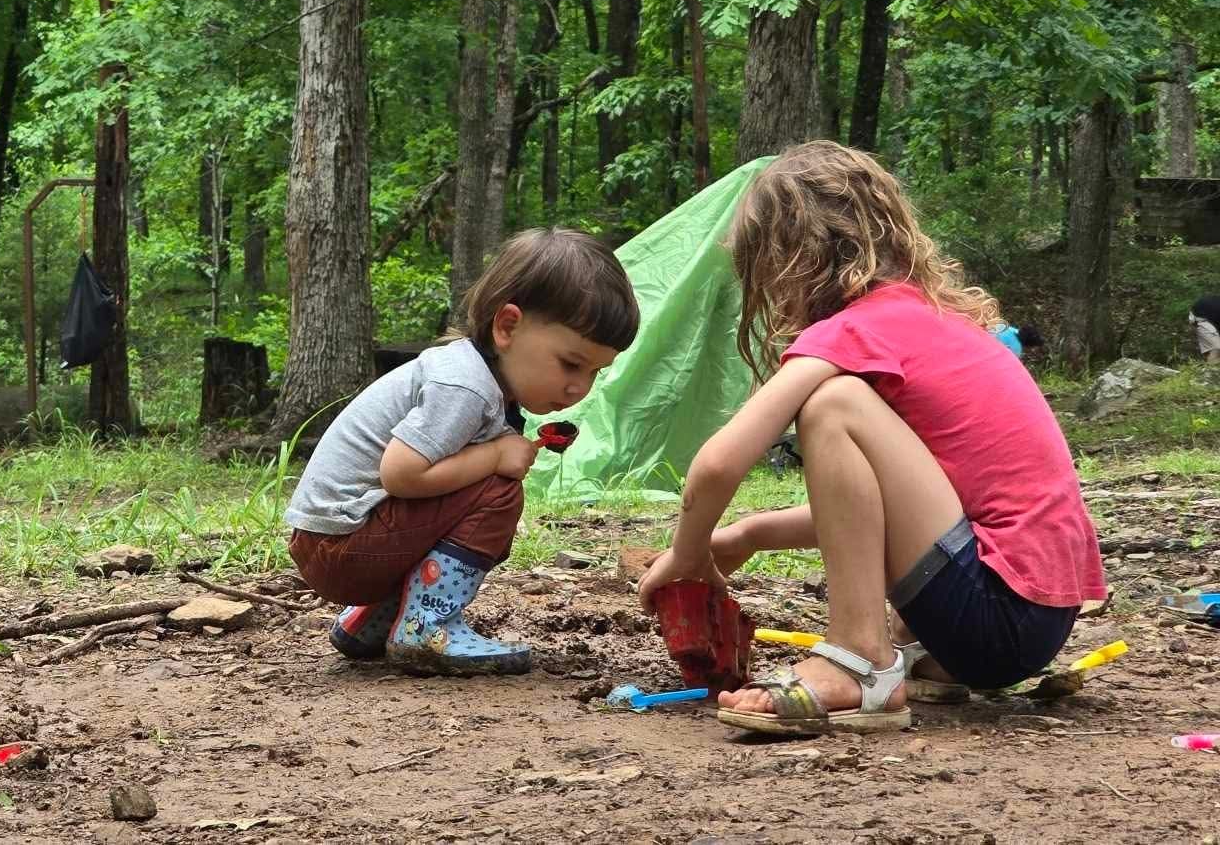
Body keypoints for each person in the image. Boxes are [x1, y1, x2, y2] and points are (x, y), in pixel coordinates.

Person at [637, 142, 1104, 735]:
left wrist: (687, 554)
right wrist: (749, 534)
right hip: (1031, 622)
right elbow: (881, 508)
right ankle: (920, 658)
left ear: (788, 257)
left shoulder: (854, 331)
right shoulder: (932, 322)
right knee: (843, 407)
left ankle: (859, 657)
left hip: (994, 612)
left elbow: (718, 465)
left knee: (833, 406)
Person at [286, 228, 639, 675]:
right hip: (340, 547)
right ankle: (425, 627)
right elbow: (401, 474)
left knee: (479, 493)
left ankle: (374, 618)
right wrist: (495, 458)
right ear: (508, 326)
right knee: (497, 493)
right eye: (570, 363)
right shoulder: (465, 386)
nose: (579, 387)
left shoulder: (475, 377)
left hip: (331, 541)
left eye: (595, 372)